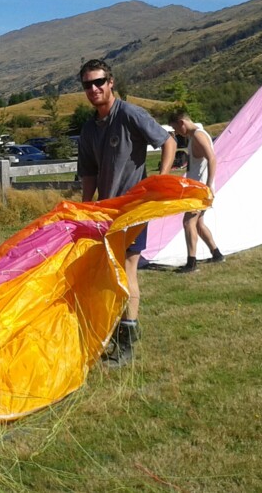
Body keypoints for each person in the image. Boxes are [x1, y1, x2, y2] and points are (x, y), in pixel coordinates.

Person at [77, 59, 177, 368]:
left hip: (132, 209)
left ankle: (127, 342)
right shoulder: (89, 129)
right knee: (108, 273)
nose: (94, 89)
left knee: (127, 269)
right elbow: (90, 175)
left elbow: (168, 141)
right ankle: (113, 331)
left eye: (99, 82)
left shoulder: (130, 114)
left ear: (111, 82)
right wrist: (85, 208)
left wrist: (158, 181)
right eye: (87, 85)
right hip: (106, 212)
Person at [168, 111, 225, 273]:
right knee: (198, 224)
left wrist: (208, 186)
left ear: (182, 123)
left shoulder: (199, 136)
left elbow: (212, 158)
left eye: (176, 129)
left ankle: (191, 263)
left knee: (188, 223)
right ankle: (216, 254)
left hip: (200, 191)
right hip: (196, 189)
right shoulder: (194, 136)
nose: (178, 133)